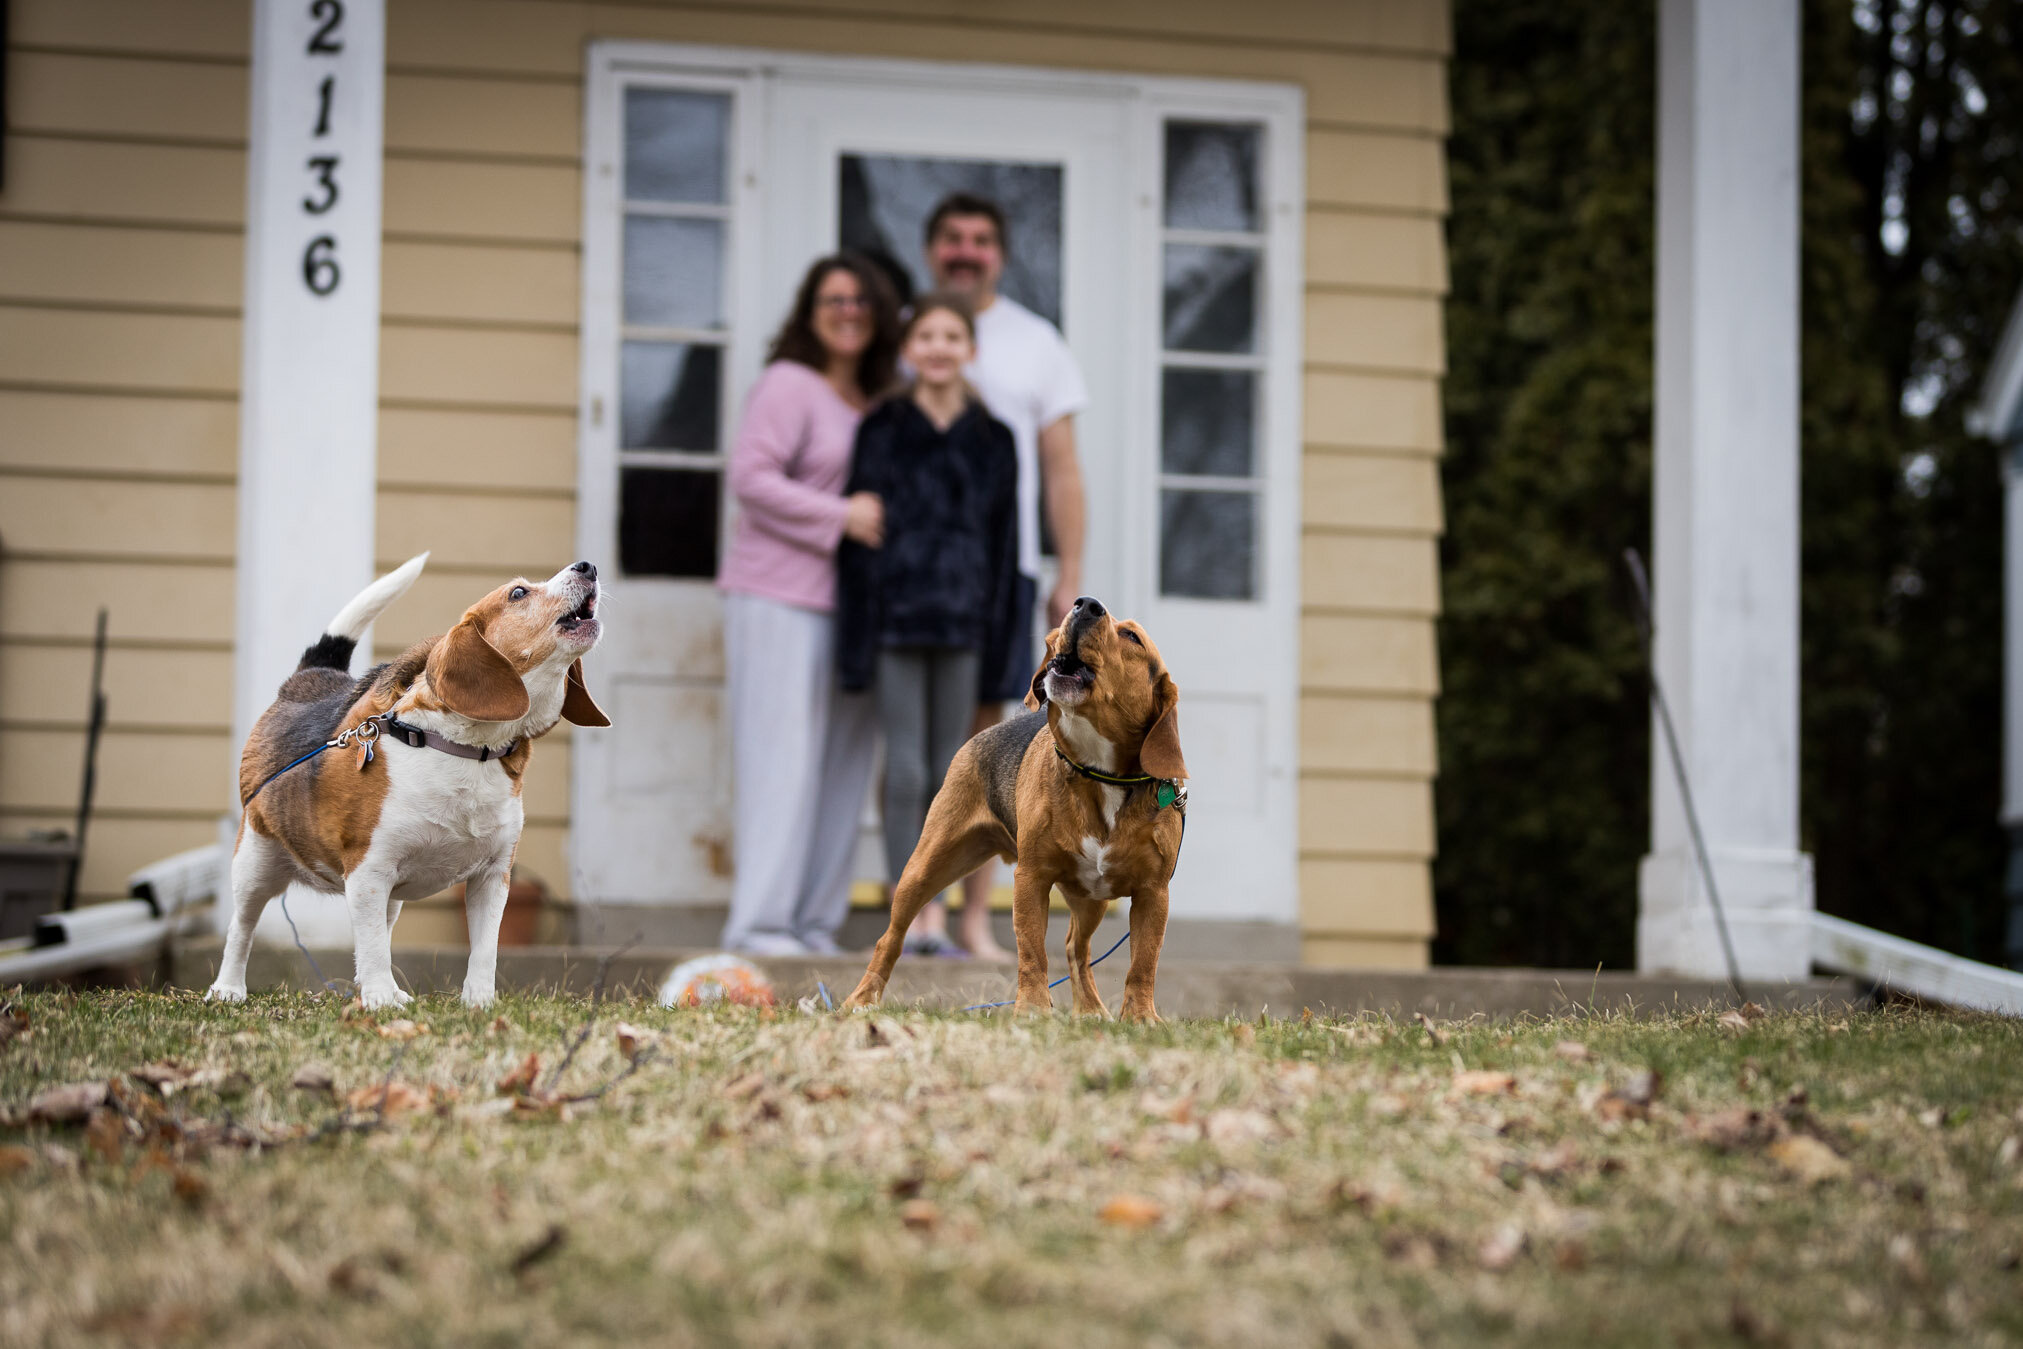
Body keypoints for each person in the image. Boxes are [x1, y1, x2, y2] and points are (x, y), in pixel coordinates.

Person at [908, 191, 1090, 959]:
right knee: (917, 745)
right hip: (912, 580)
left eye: (981, 241)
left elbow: (1061, 468)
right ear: (930, 249)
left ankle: (976, 920)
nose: (965, 251)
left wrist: (1067, 572)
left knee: (994, 742)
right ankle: (918, 913)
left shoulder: (1035, 342)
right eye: (951, 238)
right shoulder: (908, 336)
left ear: (1000, 255)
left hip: (1001, 574)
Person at [717, 254, 900, 956]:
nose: (847, 309)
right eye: (832, 298)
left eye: (860, 298)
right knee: (781, 762)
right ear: (809, 310)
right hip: (776, 596)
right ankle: (759, 927)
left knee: (843, 767)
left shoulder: (880, 402)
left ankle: (812, 925)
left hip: (853, 608)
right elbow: (750, 478)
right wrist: (840, 515)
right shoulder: (789, 384)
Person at [835, 294, 1021, 957]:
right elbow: (858, 540)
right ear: (908, 349)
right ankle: (907, 910)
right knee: (907, 766)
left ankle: (938, 916)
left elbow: (1005, 545)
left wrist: (1003, 636)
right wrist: (855, 636)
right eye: (926, 335)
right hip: (895, 620)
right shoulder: (881, 427)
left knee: (954, 771)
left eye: (952, 335)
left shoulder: (995, 439)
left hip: (965, 623)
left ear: (970, 348)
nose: (938, 347)